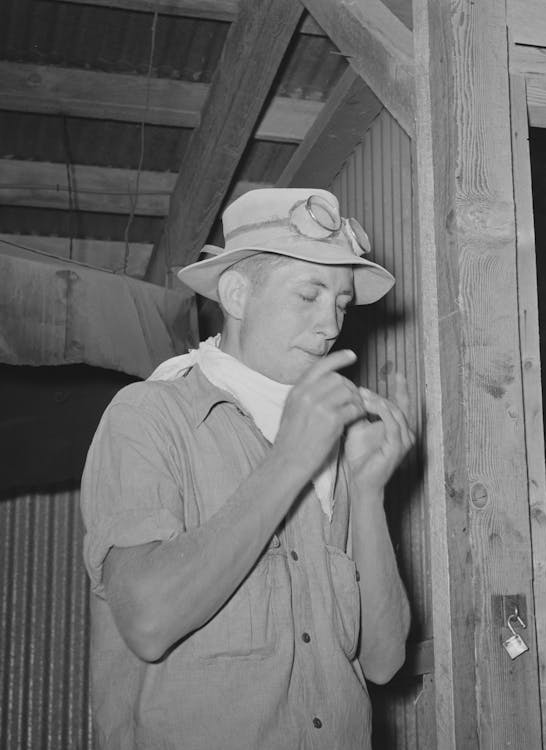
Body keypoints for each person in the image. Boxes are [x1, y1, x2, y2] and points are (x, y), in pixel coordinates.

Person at [80, 188, 414, 749]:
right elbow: (147, 622)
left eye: (342, 303)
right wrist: (288, 460)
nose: (330, 324)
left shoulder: (339, 436)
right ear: (236, 293)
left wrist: (370, 490)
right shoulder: (151, 416)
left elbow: (384, 661)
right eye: (308, 295)